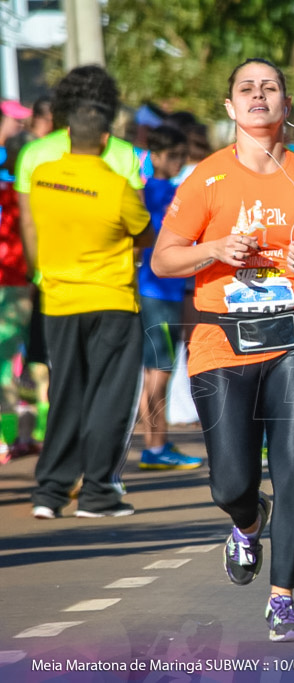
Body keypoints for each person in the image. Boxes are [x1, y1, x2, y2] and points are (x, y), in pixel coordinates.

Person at [151, 57, 294, 642]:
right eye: (247, 88)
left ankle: (283, 600)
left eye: (270, 88)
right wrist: (214, 248)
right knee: (230, 483)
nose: (259, 96)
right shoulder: (204, 179)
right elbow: (164, 258)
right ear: (229, 107)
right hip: (220, 338)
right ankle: (246, 520)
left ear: (286, 105)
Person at [28, 102, 153, 519]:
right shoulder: (116, 185)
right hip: (110, 300)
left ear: (66, 135)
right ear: (105, 140)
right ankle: (98, 492)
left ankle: (49, 492)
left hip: (59, 302)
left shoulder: (42, 178)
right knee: (110, 397)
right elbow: (143, 232)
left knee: (66, 391)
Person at [136, 124, 202, 470]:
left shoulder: (161, 190)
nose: (178, 162)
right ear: (156, 155)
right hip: (158, 292)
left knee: (155, 370)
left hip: (165, 290)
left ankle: (155, 444)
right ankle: (155, 446)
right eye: (172, 155)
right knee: (159, 371)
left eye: (182, 156)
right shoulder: (158, 193)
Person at [0, 100, 33, 463]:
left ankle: (12, 438)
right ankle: (15, 438)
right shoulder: (23, 196)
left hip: (15, 281)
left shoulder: (16, 195)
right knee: (14, 361)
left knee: (9, 361)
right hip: (18, 282)